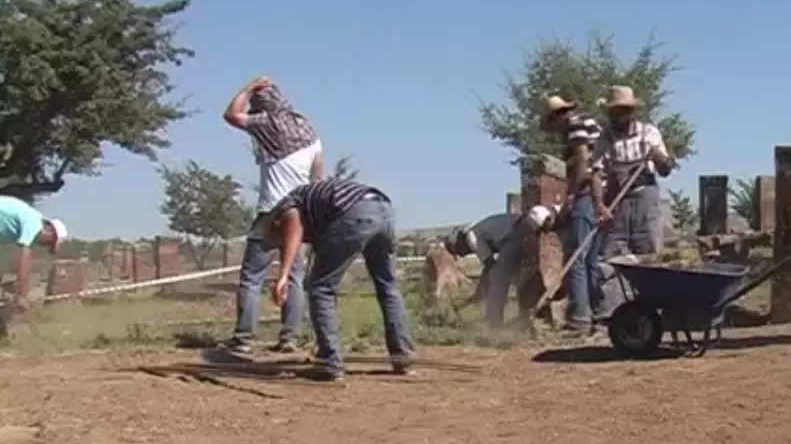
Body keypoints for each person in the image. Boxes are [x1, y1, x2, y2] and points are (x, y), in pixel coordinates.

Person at [263, 177, 417, 381]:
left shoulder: (287, 207)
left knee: (320, 288)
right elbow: (318, 250)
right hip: (384, 211)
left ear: (275, 224)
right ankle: (402, 357)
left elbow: (293, 232)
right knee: (387, 286)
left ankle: (330, 363)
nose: (280, 244)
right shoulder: (315, 211)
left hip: (355, 212)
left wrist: (283, 275)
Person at [222, 76, 324, 355]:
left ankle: (243, 339)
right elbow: (318, 177)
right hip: (301, 216)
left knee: (252, 278)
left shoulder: (266, 124)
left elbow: (231, 115)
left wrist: (247, 87)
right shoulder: (308, 129)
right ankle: (289, 337)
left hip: (271, 212)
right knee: (293, 276)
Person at [539, 94, 603, 333]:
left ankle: (580, 318)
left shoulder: (575, 126)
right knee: (590, 259)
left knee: (576, 257)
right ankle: (595, 312)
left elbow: (583, 159)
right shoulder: (586, 123)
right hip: (601, 193)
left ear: (559, 116)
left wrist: (573, 195)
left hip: (587, 193)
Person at [591, 86, 675, 259]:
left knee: (649, 253)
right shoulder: (605, 138)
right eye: (612, 112)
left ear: (630, 112)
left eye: (620, 112)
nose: (615, 117)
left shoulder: (649, 133)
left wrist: (659, 157)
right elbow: (596, 174)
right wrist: (600, 205)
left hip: (645, 202)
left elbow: (665, 170)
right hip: (618, 203)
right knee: (612, 254)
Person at [444, 205, 559, 326]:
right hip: (520, 232)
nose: (463, 254)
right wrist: (482, 287)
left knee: (499, 279)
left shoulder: (472, 238)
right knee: (524, 278)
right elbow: (489, 267)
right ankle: (538, 317)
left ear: (460, 242)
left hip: (514, 236)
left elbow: (490, 266)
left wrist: (480, 290)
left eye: (459, 251)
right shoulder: (479, 228)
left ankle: (493, 321)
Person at [0, 196, 67, 313]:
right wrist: (23, 294)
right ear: (49, 230)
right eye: (48, 243)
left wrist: (14, 285)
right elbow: (25, 256)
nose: (44, 246)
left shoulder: (15, 228)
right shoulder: (34, 223)